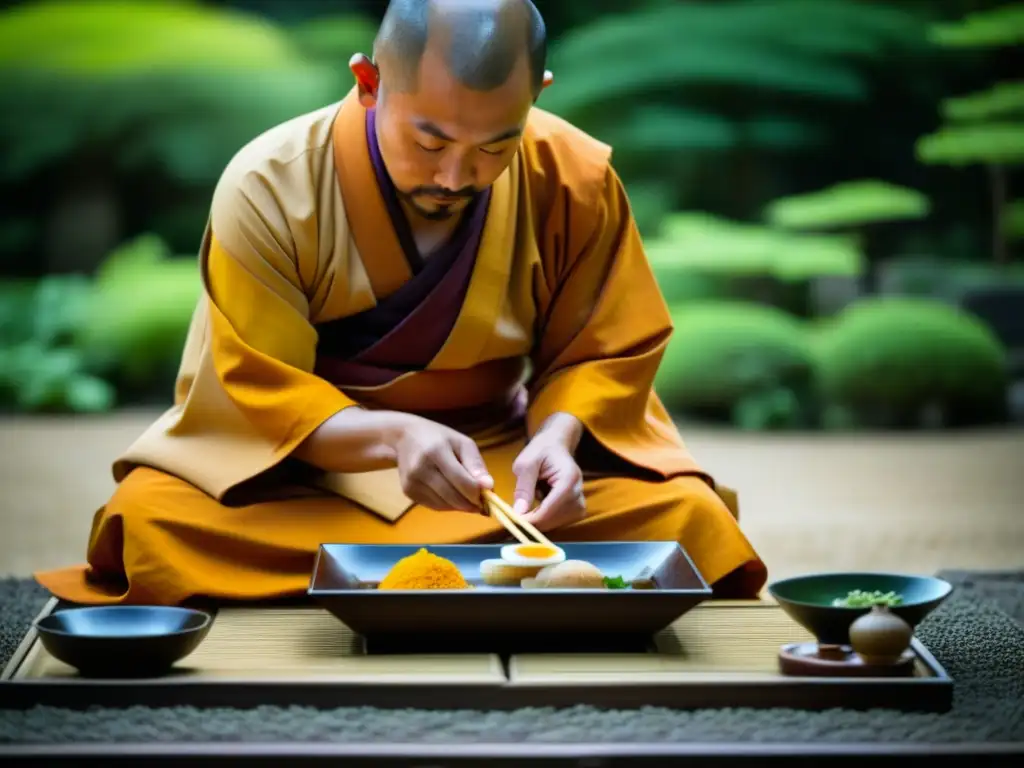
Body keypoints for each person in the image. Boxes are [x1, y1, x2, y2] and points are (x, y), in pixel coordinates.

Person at [35, 0, 767, 606]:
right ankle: (498, 576)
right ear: (368, 81)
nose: (456, 175)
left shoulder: (573, 178)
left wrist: (560, 439)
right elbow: (253, 390)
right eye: (430, 139)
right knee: (153, 521)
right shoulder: (271, 185)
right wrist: (388, 438)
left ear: (537, 92)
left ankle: (393, 572)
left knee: (687, 518)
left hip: (491, 465)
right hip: (312, 470)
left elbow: (606, 348)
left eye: (494, 147)